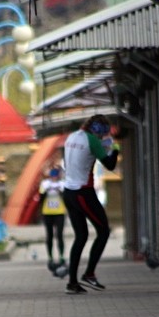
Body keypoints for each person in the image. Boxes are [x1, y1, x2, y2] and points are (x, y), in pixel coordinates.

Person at [62, 114, 120, 294]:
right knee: (103, 231)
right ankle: (89, 273)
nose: (103, 137)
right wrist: (115, 148)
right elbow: (110, 165)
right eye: (103, 133)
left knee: (81, 236)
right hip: (83, 192)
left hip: (69, 191)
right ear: (98, 130)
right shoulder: (92, 141)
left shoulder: (72, 137)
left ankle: (72, 282)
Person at [37, 167, 66, 275]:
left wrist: (60, 191)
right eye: (52, 175)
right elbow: (40, 198)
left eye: (56, 175)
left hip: (59, 212)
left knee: (59, 235)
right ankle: (50, 256)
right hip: (47, 213)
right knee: (49, 235)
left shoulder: (62, 184)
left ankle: (62, 256)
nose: (54, 177)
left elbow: (66, 197)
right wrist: (46, 191)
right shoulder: (45, 184)